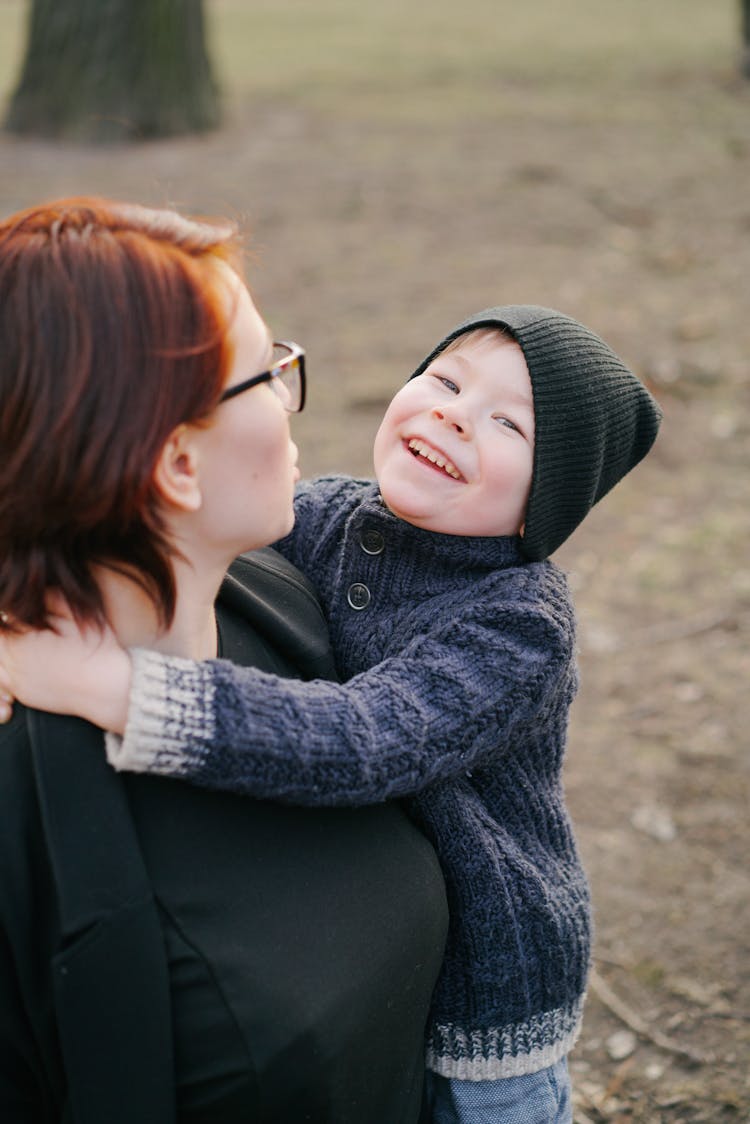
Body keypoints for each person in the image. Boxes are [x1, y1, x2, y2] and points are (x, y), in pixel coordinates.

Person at [0, 299, 662, 1119]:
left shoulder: (518, 624)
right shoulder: (326, 515)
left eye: (508, 425)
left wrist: (121, 692)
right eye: (445, 379)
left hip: (481, 1004)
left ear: (548, 503)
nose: (454, 415)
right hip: (379, 945)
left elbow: (367, 739)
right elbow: (178, 545)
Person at [0, 196, 450, 1124]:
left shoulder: (283, 591)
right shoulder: (28, 802)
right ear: (175, 466)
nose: (291, 396)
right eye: (268, 372)